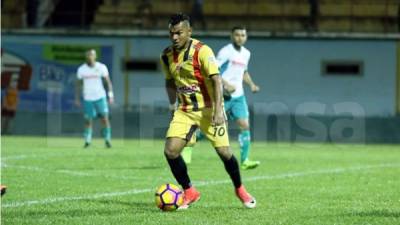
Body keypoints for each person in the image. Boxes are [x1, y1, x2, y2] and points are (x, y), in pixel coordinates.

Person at [160, 13, 256, 209]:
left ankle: (240, 189)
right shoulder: (166, 55)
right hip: (185, 110)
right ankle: (189, 191)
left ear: (189, 31)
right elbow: (169, 81)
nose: (175, 37)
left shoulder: (202, 51)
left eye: (179, 33)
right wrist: (172, 106)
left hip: (209, 108)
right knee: (170, 151)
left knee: (224, 153)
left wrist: (219, 110)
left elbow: (216, 79)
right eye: (171, 34)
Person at [182, 26, 261, 170]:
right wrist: (226, 84)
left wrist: (252, 84)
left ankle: (245, 160)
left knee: (244, 125)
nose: (240, 37)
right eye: (237, 35)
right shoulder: (226, 52)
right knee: (211, 127)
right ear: (232, 36)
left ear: (246, 37)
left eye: (243, 35)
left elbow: (243, 72)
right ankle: (188, 145)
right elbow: (213, 71)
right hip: (222, 95)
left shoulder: (246, 54)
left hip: (238, 96)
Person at [75, 49, 114, 148]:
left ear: (95, 56)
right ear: (86, 57)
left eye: (91, 55)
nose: (90, 57)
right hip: (88, 98)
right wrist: (77, 98)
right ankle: (87, 141)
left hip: (100, 97)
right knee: (88, 119)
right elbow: (78, 85)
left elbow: (108, 82)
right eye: (88, 55)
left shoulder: (101, 67)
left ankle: (107, 140)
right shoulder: (81, 69)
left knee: (104, 118)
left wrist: (110, 95)